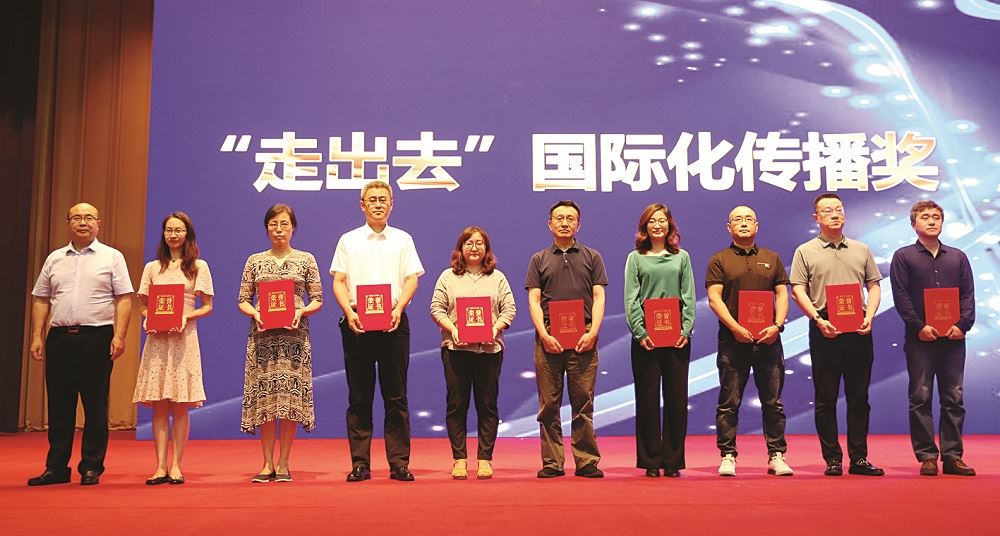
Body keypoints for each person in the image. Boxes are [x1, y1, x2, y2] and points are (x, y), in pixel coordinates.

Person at [27, 202, 133, 486]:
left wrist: (119, 335)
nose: (82, 222)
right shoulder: (55, 258)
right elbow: (41, 299)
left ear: (98, 223)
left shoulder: (112, 257)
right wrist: (36, 336)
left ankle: (91, 466)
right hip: (59, 338)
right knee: (59, 406)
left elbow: (124, 298)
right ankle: (56, 468)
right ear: (68, 223)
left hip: (96, 337)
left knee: (95, 406)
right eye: (76, 217)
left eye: (88, 218)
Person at [332, 180, 424, 482]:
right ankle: (360, 463)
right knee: (359, 396)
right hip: (357, 323)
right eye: (371, 199)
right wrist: (349, 312)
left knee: (396, 396)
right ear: (362, 205)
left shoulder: (403, 239)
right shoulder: (348, 240)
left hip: (393, 322)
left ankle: (399, 463)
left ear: (391, 204)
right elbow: (339, 281)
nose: (377, 204)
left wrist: (399, 308)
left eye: (383, 199)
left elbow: (412, 279)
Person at [790, 193, 884, 477]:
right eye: (827, 210)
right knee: (826, 397)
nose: (834, 214)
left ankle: (859, 458)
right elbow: (798, 290)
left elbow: (874, 285)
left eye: (838, 209)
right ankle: (832, 458)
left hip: (859, 327)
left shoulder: (861, 249)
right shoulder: (805, 251)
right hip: (825, 326)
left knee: (859, 397)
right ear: (816, 217)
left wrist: (869, 316)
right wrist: (818, 319)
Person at [889, 200, 976, 476]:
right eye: (925, 216)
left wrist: (963, 325)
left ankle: (953, 456)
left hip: (953, 339)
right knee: (920, 396)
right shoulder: (903, 256)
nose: (931, 220)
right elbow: (901, 296)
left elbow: (968, 295)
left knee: (954, 397)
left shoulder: (958, 256)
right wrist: (919, 326)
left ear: (942, 222)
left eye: (936, 216)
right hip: (920, 340)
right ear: (913, 223)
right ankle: (927, 455)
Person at [705, 206, 793, 477]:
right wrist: (735, 327)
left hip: (769, 340)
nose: (743, 223)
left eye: (748, 219)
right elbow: (714, 298)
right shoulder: (719, 259)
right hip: (733, 341)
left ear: (757, 226)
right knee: (729, 402)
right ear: (728, 227)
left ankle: (776, 455)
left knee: (773, 402)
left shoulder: (771, 258)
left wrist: (777, 326)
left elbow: (782, 294)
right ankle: (728, 455)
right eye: (737, 220)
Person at [238, 204, 323, 483]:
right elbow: (243, 300)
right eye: (273, 224)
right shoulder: (254, 261)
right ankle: (266, 463)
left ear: (293, 228)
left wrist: (301, 311)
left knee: (288, 399)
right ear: (266, 228)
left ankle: (284, 462)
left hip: (294, 339)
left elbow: (317, 299)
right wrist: (255, 313)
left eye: (284, 224)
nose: (279, 229)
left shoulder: (306, 259)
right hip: (263, 338)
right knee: (265, 398)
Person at [525, 200, 607, 479]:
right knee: (549, 405)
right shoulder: (538, 259)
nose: (564, 223)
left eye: (570, 218)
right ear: (550, 224)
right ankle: (552, 462)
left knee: (583, 403)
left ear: (578, 225)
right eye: (559, 218)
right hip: (549, 340)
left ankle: (586, 461)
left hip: (584, 338)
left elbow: (599, 297)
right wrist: (544, 334)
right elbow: (534, 300)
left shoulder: (592, 256)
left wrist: (593, 332)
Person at [133, 212, 214, 485]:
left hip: (184, 339)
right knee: (159, 406)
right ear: (163, 234)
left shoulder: (198, 266)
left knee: (180, 405)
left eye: (178, 230)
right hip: (157, 341)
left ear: (187, 234)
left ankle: (177, 465)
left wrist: (184, 317)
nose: (173, 235)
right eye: (169, 230)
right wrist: (150, 318)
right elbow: (143, 306)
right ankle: (160, 466)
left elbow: (207, 306)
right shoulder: (152, 267)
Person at [429, 226, 516, 480]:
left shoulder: (498, 278)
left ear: (487, 249)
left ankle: (485, 459)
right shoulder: (447, 277)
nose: (474, 248)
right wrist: (453, 329)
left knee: (487, 404)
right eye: (469, 243)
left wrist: (495, 328)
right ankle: (459, 459)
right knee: (457, 404)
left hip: (489, 350)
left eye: (479, 243)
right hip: (456, 349)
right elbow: (436, 308)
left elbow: (509, 309)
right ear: (460, 248)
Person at [624, 203, 695, 478]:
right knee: (647, 399)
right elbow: (631, 298)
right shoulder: (635, 258)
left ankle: (673, 460)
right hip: (646, 339)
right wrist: (640, 332)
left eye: (662, 220)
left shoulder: (682, 257)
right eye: (652, 221)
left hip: (677, 336)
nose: (657, 225)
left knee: (676, 399)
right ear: (644, 226)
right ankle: (651, 460)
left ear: (669, 225)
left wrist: (685, 330)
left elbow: (688, 295)